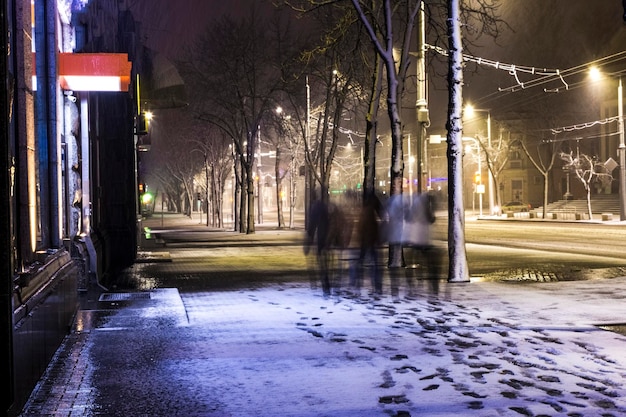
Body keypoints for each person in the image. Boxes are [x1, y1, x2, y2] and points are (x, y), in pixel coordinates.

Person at [402, 191, 442, 295]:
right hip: (423, 240)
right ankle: (433, 288)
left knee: (413, 263)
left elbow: (409, 220)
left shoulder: (414, 207)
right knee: (429, 264)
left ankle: (411, 285)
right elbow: (431, 219)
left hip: (415, 239)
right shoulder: (425, 208)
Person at [354, 192, 385, 297]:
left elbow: (362, 228)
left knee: (365, 264)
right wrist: (376, 239)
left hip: (366, 242)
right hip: (369, 242)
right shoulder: (369, 212)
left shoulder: (367, 211)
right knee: (374, 266)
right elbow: (370, 228)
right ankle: (376, 287)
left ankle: (360, 285)